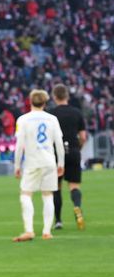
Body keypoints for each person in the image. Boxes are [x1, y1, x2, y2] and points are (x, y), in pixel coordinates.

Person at [12, 89, 64, 242]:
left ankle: (29, 230)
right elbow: (59, 143)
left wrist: (17, 165)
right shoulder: (52, 119)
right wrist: (61, 162)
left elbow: (19, 145)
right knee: (48, 195)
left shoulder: (23, 120)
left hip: (32, 162)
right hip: (49, 161)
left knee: (26, 194)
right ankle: (47, 231)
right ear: (45, 102)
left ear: (30, 101)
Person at [50, 84, 87, 230]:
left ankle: (58, 220)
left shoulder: (51, 114)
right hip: (73, 150)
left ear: (54, 96)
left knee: (56, 188)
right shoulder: (77, 113)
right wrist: (78, 148)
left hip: (56, 154)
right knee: (73, 186)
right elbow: (83, 136)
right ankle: (77, 207)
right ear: (67, 96)